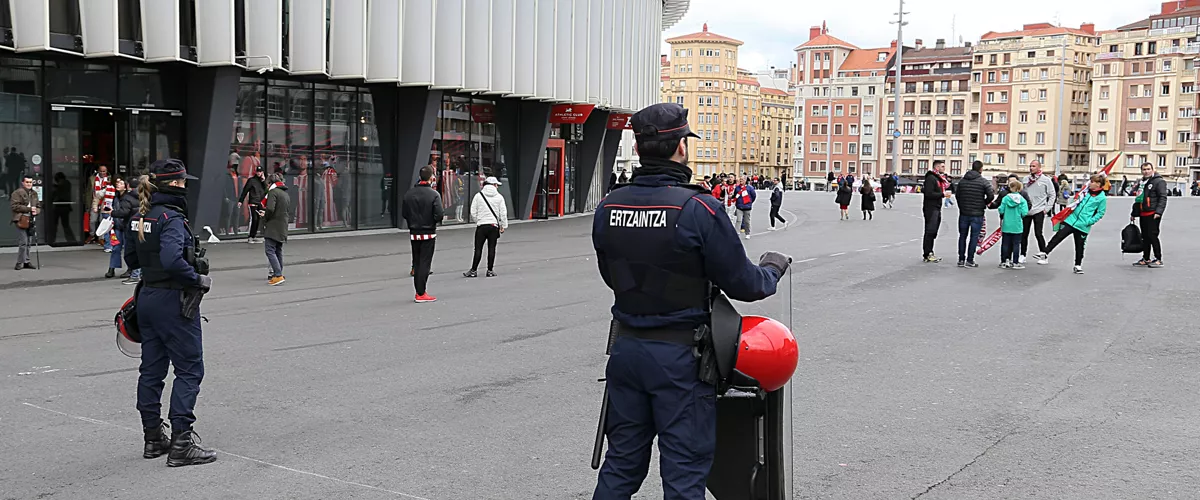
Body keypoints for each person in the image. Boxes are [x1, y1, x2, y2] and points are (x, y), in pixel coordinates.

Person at [591, 102, 789, 500]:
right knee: (684, 474)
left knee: (621, 466)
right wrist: (772, 269)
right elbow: (745, 284)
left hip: (627, 350)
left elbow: (611, 275)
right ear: (681, 147)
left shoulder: (608, 206)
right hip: (681, 360)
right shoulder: (699, 208)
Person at [123, 160, 216, 467]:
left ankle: (153, 439)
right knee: (190, 369)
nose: (186, 185)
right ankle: (182, 442)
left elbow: (131, 256)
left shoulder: (141, 214)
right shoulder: (171, 218)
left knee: (151, 371)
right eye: (183, 182)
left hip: (147, 297)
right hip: (174, 300)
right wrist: (197, 279)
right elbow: (174, 260)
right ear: (175, 184)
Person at [1033, 174, 1108, 274]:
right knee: (1059, 236)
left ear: (1098, 184)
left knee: (1080, 245)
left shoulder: (1102, 198)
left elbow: (1100, 212)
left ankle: (1078, 265)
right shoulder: (1085, 192)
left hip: (1083, 225)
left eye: (1093, 182)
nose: (1090, 183)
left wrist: (1089, 221)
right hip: (1071, 220)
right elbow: (1075, 201)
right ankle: (1045, 252)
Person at [402, 165, 444, 303]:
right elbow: (439, 215)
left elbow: (404, 213)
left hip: (414, 232)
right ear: (431, 177)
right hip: (428, 232)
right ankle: (421, 293)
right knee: (425, 263)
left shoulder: (409, 193)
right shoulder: (434, 194)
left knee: (417, 261)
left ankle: (419, 292)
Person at [464, 176, 509, 278]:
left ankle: (473, 270)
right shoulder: (499, 197)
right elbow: (503, 213)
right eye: (496, 185)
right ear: (493, 185)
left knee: (478, 248)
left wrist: (478, 220)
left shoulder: (478, 196)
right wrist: (503, 225)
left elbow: (473, 211)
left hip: (482, 226)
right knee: (491, 248)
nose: (497, 187)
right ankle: (490, 270)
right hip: (493, 226)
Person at [954, 160, 995, 268]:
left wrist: (962, 206)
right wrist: (984, 203)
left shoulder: (962, 181)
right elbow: (991, 196)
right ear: (981, 169)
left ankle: (961, 259)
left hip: (964, 213)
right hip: (977, 213)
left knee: (962, 236)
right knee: (974, 236)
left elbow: (957, 195)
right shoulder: (983, 182)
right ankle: (970, 260)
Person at [1130, 162, 1167, 268]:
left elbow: (1163, 197)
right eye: (1144, 169)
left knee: (1152, 236)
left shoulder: (1159, 182)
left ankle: (1158, 259)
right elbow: (1138, 198)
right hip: (1143, 212)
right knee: (1144, 236)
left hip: (1153, 213)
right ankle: (1146, 258)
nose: (1146, 171)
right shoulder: (1142, 182)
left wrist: (1159, 212)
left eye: (1148, 169)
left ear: (1153, 170)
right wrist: (1134, 213)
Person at [1020, 160, 1056, 263]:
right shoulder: (1026, 179)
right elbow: (1022, 193)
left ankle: (1043, 255)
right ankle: (1022, 255)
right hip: (1026, 210)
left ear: (1039, 167)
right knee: (1024, 234)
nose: (1031, 168)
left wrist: (1047, 209)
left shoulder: (1046, 180)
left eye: (1034, 166)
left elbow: (1052, 195)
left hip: (1039, 210)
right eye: (1030, 166)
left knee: (1038, 233)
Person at [261, 173, 290, 285]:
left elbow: (270, 209)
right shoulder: (285, 194)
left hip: (273, 226)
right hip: (282, 225)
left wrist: (264, 215)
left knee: (270, 250)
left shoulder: (273, 193)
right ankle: (279, 274)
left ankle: (277, 275)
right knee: (278, 250)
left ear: (270, 183)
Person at [922, 160, 951, 262]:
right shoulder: (931, 178)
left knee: (934, 231)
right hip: (931, 208)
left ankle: (930, 252)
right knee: (930, 230)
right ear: (937, 167)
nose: (944, 168)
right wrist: (943, 195)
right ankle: (927, 253)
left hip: (937, 207)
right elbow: (928, 194)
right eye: (942, 166)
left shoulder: (939, 179)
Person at [997, 179, 1029, 269]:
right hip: (1017, 225)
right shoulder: (1022, 200)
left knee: (1005, 244)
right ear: (1019, 189)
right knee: (1016, 244)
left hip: (1006, 225)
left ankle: (1004, 261)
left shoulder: (1006, 198)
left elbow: (1001, 209)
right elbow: (1024, 212)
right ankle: (1015, 262)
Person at [105, 178, 133, 279]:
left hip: (126, 226)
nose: (118, 185)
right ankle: (112, 268)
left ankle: (130, 269)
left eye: (121, 183)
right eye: (117, 183)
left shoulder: (128, 197)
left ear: (125, 186)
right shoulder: (115, 197)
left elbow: (124, 212)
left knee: (128, 249)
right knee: (116, 248)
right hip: (117, 225)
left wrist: (113, 212)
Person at [10, 175, 38, 270]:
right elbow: (14, 206)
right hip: (21, 219)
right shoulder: (17, 193)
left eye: (30, 182)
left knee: (29, 242)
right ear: (23, 183)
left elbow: (38, 206)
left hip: (30, 219)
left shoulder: (34, 193)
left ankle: (26, 261)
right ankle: (20, 262)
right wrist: (29, 208)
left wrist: (36, 211)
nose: (29, 184)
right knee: (23, 242)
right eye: (27, 182)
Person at [237, 165, 268, 243]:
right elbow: (245, 190)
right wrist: (241, 200)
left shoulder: (263, 181)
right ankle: (250, 236)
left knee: (258, 220)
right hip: (253, 202)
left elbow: (266, 191)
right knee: (254, 219)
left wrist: (263, 181)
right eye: (258, 171)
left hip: (260, 203)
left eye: (260, 172)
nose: (259, 173)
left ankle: (253, 236)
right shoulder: (251, 180)